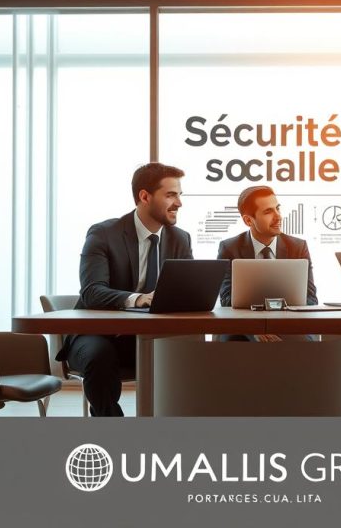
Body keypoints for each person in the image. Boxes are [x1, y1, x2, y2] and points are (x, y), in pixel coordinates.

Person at [55, 162, 193, 416]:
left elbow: (187, 290)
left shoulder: (179, 239)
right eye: (171, 195)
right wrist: (138, 298)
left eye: (180, 195)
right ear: (144, 196)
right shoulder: (104, 234)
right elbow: (92, 291)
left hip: (144, 337)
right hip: (95, 335)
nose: (179, 203)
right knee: (100, 357)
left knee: (192, 354)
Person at [217, 185, 317, 342]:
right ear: (248, 220)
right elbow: (227, 300)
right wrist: (255, 329)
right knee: (232, 341)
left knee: (304, 343)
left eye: (278, 208)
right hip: (244, 328)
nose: (278, 216)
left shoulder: (298, 247)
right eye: (268, 211)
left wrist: (278, 326)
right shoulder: (229, 248)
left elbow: (310, 298)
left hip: (289, 326)